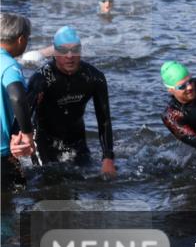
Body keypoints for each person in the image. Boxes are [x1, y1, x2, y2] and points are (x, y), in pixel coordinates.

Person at [26, 26, 115, 176]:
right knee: (47, 179)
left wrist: (108, 158)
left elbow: (104, 119)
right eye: (63, 50)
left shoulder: (94, 77)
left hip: (76, 137)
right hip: (43, 138)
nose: (69, 56)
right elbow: (24, 113)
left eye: (75, 50)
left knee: (84, 180)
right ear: (54, 52)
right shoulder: (41, 79)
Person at [1, 14, 36, 192]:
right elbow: (17, 97)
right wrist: (28, 135)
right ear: (21, 39)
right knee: (10, 206)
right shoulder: (9, 65)